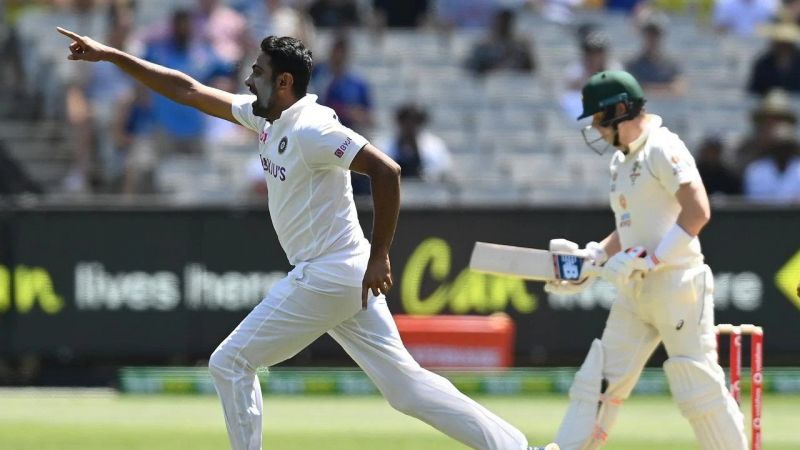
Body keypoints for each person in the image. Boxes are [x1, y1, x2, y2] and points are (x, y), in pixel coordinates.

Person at [56, 27, 558, 450]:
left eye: (258, 71)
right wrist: (112, 55)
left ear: (285, 81)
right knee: (405, 388)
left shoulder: (312, 126)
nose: (249, 77)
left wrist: (381, 254)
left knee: (229, 362)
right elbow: (187, 89)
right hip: (339, 272)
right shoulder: (267, 115)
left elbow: (386, 172)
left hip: (331, 272)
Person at [547, 70, 747, 450]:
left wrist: (652, 261)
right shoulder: (621, 162)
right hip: (635, 289)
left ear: (621, 109)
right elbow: (632, 229)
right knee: (598, 381)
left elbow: (697, 210)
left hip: (677, 284)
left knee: (697, 388)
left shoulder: (662, 147)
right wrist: (595, 255)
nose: (597, 129)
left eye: (600, 119)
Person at [375, 103, 453, 181]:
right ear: (398, 121)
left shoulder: (435, 147)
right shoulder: (383, 146)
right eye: (405, 121)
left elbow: (442, 171)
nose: (410, 125)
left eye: (415, 121)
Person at [624, 12, 685, 96]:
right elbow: (630, 90)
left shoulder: (672, 64)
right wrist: (666, 88)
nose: (652, 38)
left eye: (656, 34)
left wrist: (646, 88)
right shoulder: (631, 64)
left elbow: (679, 90)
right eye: (649, 34)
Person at [464, 8, 536, 76]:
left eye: (506, 23)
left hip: (516, 84)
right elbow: (471, 70)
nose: (502, 27)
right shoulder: (482, 47)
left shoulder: (520, 47)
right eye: (500, 23)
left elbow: (530, 70)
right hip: (488, 85)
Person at [743, 123, 800, 201]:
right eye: (779, 147)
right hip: (763, 213)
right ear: (772, 148)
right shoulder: (756, 169)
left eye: (786, 147)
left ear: (792, 148)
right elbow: (754, 199)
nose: (783, 151)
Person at [747, 21, 800, 96]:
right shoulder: (763, 63)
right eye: (779, 43)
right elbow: (754, 89)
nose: (783, 47)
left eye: (786, 44)